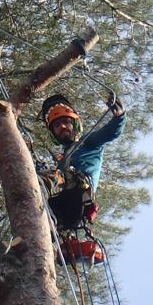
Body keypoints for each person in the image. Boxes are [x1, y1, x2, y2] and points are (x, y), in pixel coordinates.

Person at [40, 94, 126, 231]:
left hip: (79, 191)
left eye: (66, 122)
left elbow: (111, 132)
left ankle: (38, 186)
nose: (62, 126)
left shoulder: (88, 141)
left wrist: (119, 116)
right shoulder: (63, 159)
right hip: (63, 207)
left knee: (52, 177)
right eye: (57, 125)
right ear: (53, 133)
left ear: (74, 124)